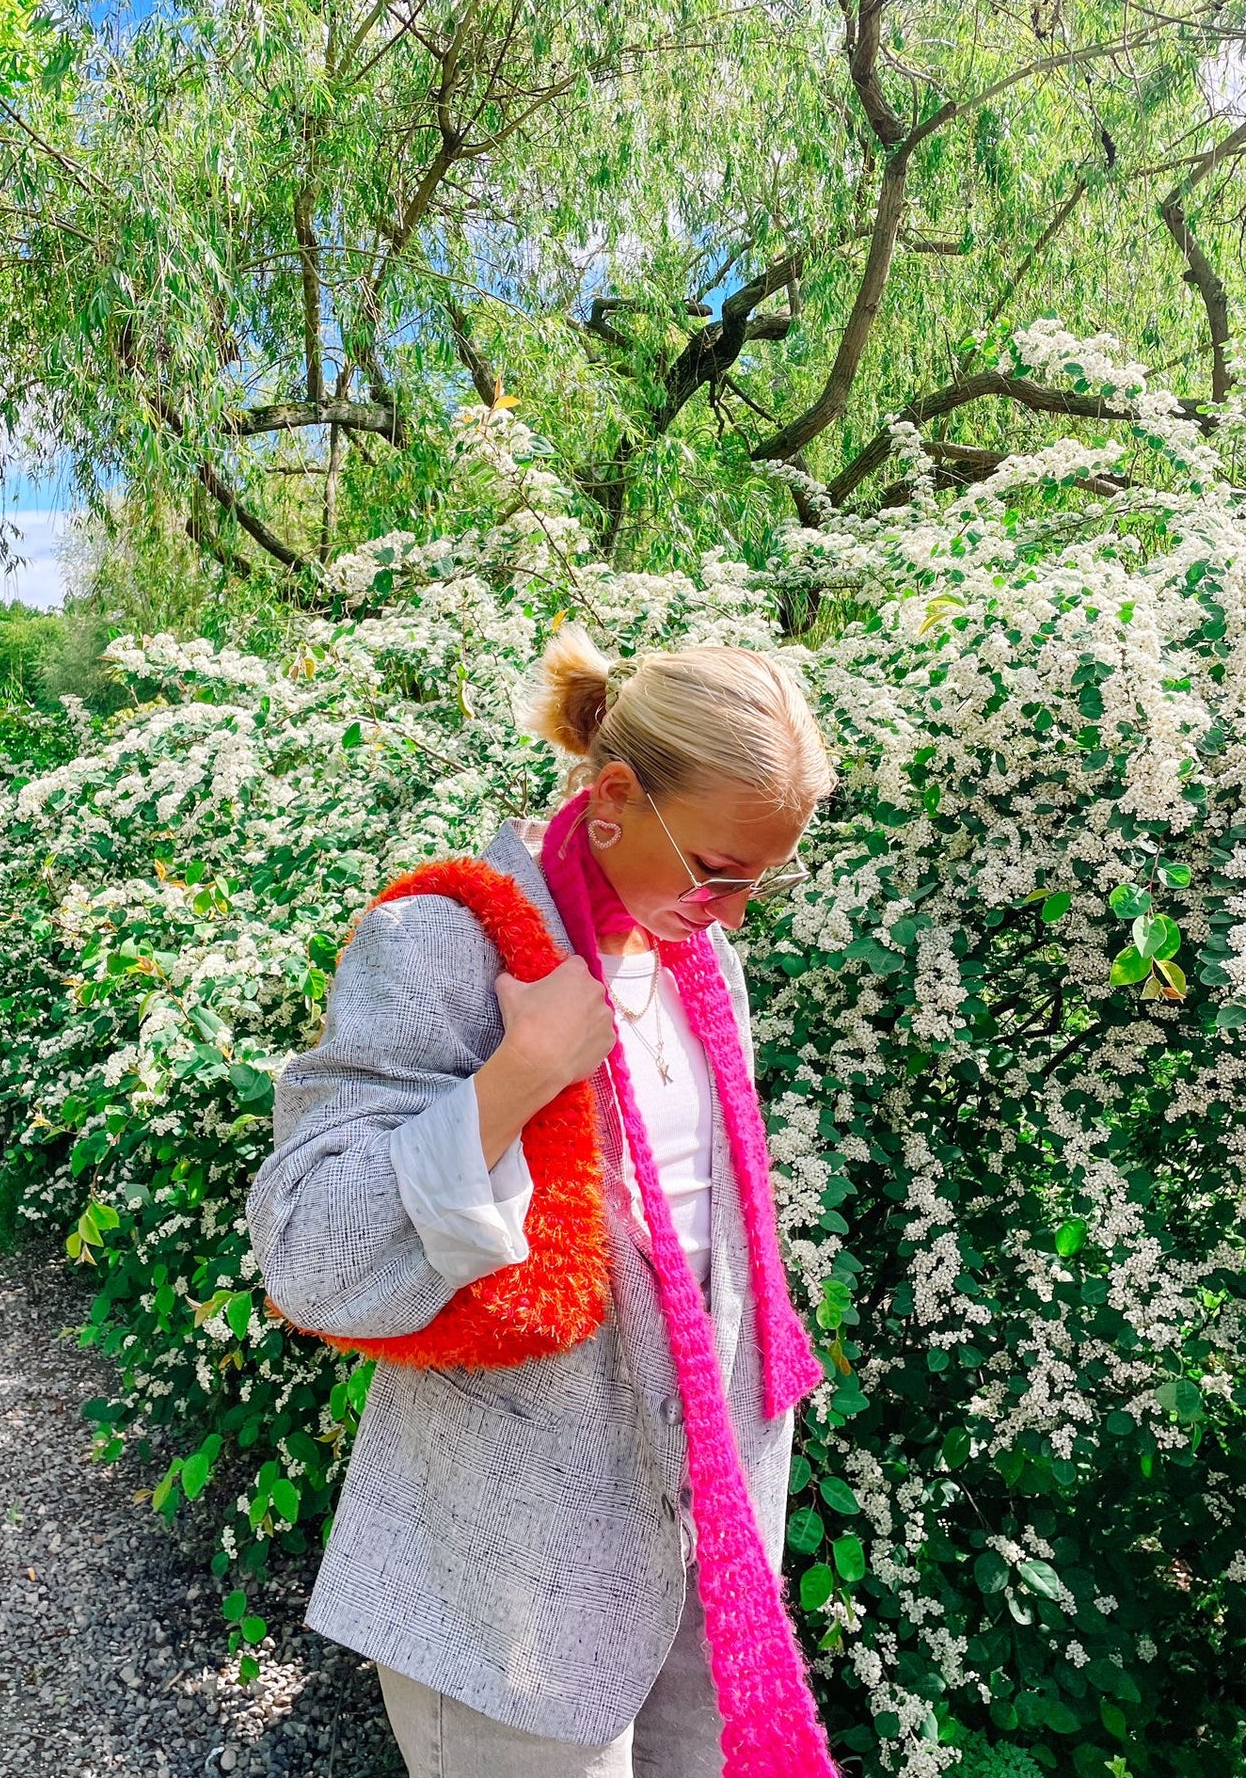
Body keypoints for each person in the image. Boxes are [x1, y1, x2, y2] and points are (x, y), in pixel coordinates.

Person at [246, 624, 837, 1777]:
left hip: (704, 1541)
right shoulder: (445, 945)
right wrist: (517, 1077)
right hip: (505, 1572)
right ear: (614, 794)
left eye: (760, 880)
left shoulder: (694, 960)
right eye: (718, 871)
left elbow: (709, 1254)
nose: (734, 912)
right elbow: (310, 1248)